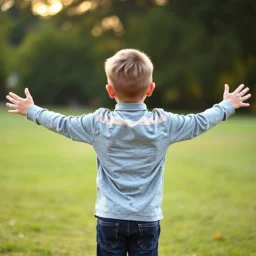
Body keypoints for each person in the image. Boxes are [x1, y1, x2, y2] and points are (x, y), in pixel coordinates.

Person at [6, 49, 251, 256]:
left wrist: (32, 110)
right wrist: (226, 105)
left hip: (109, 218)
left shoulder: (98, 123)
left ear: (110, 91)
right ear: (151, 88)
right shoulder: (163, 124)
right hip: (147, 218)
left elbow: (62, 123)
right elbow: (199, 122)